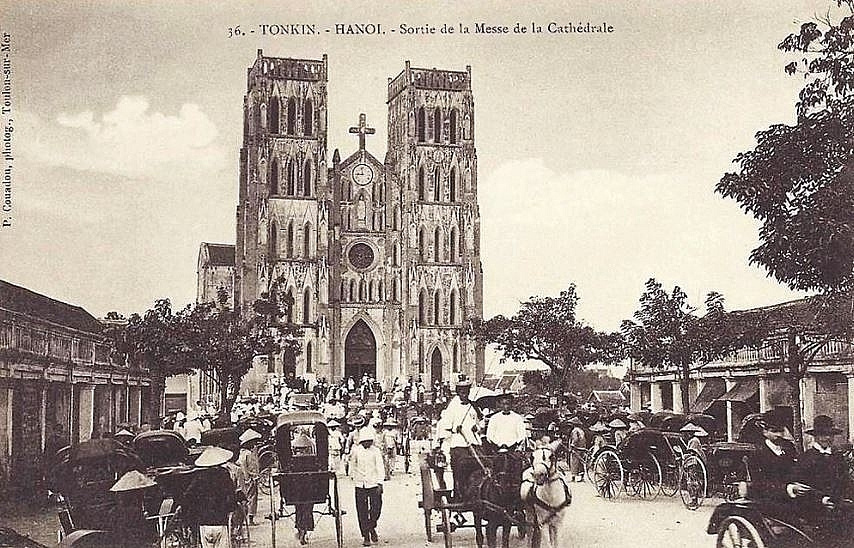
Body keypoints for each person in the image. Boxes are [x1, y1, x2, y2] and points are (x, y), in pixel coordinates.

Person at [796, 415, 851, 519]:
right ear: (815, 436)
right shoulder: (806, 458)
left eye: (830, 435)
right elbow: (802, 486)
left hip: (839, 508)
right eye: (823, 435)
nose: (827, 438)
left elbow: (845, 481)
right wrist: (821, 500)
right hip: (815, 509)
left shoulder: (838, 457)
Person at [183, 446, 238, 548]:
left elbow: (188, 496)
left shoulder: (199, 477)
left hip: (204, 523)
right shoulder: (224, 475)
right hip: (220, 521)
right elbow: (231, 496)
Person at [435, 375, 482, 490]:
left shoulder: (473, 407)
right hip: (458, 442)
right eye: (461, 391)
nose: (464, 394)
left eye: (466, 391)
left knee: (482, 462)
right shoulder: (452, 407)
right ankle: (459, 490)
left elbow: (479, 423)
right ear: (458, 392)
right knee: (462, 464)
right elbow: (446, 426)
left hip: (473, 441)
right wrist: (456, 428)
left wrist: (477, 427)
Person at [751, 413, 808, 503]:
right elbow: (759, 482)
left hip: (793, 494)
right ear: (765, 432)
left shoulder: (789, 447)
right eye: (774, 431)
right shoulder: (758, 452)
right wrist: (787, 488)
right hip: (768, 498)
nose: (779, 435)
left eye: (781, 431)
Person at [350, 426, 385, 546]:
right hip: (360, 484)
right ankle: (366, 535)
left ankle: (372, 526)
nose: (367, 444)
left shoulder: (376, 451)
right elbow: (353, 465)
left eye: (369, 441)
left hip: (374, 483)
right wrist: (354, 478)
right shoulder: (356, 450)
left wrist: (380, 482)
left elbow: (380, 467)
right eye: (365, 442)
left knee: (376, 508)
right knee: (362, 511)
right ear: (361, 441)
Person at [292, 432, 317, 545]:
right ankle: (303, 530)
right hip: (309, 490)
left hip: (297, 491)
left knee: (299, 508)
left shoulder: (292, 463)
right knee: (307, 509)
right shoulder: (313, 462)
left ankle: (301, 529)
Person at [238, 428, 262, 525]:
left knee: (245, 497)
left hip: (243, 478)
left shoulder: (242, 453)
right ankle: (250, 518)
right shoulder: (249, 454)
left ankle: (244, 518)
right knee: (252, 497)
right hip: (249, 478)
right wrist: (255, 477)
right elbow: (252, 467)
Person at [567, 417, 587, 482]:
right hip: (582, 447)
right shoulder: (581, 430)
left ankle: (573, 477)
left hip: (576, 448)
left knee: (574, 462)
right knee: (581, 462)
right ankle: (582, 477)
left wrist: (572, 445)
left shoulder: (575, 430)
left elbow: (575, 439)